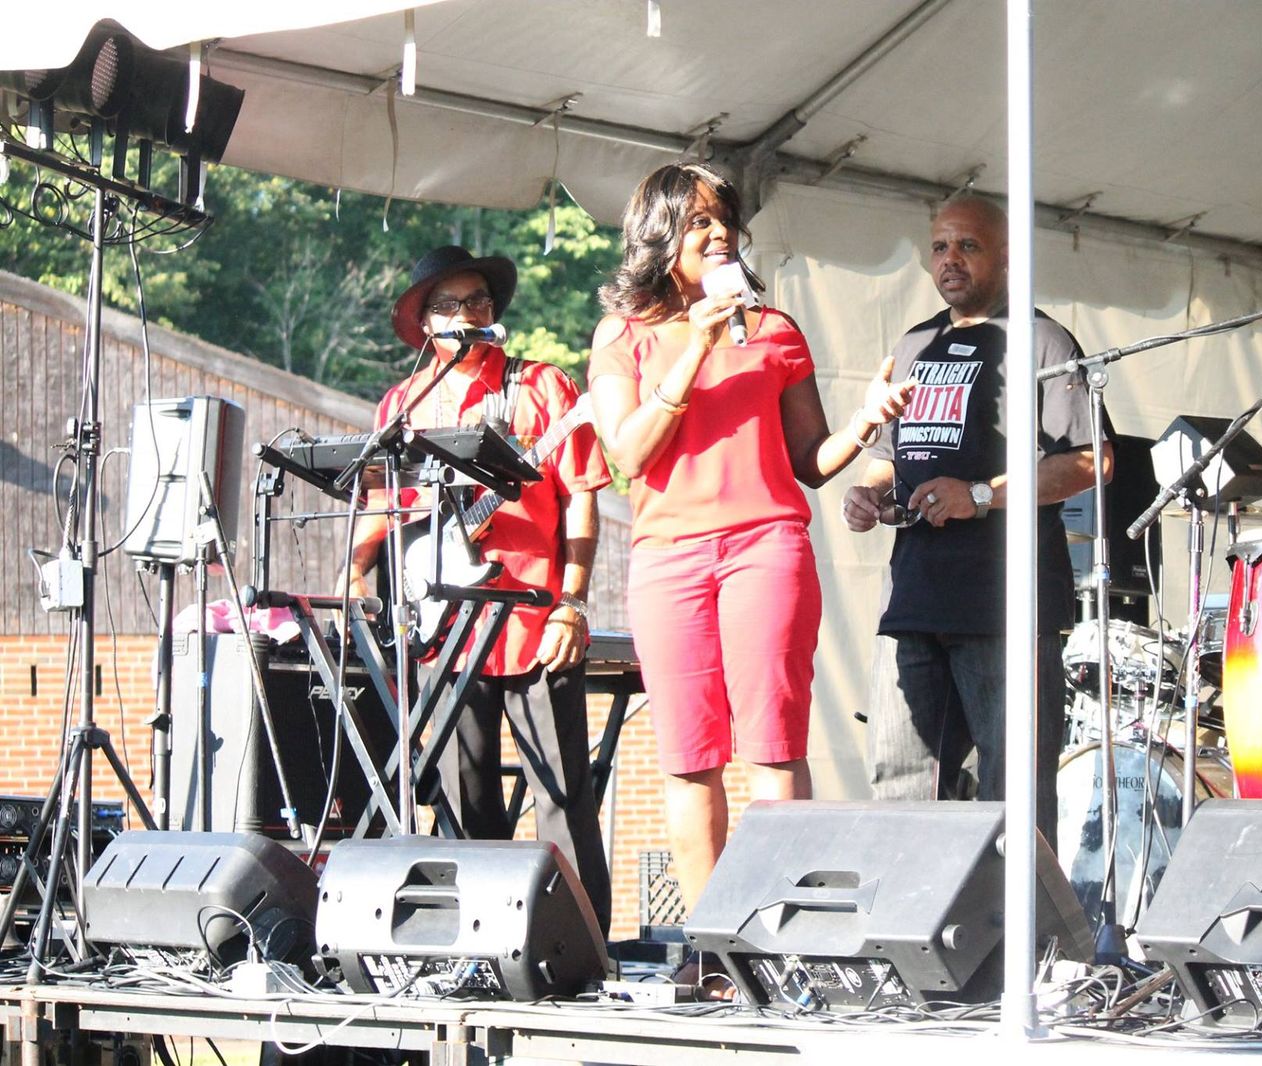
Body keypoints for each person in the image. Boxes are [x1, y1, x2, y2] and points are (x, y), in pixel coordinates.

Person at [587, 162, 913, 913]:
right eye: (699, 221)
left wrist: (866, 422)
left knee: (774, 746)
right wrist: (696, 349)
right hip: (668, 561)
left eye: (725, 219)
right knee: (689, 759)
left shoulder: (773, 330)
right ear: (659, 234)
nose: (719, 233)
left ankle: (779, 935)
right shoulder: (622, 336)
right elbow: (628, 454)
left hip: (765, 548)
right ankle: (709, 943)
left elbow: (812, 462)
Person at [345, 245, 613, 935]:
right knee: (464, 800)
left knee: (561, 795)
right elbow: (384, 506)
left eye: (480, 302)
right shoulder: (404, 404)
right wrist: (354, 569)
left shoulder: (540, 388)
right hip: (445, 630)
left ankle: (581, 944)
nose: (468, 315)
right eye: (451, 305)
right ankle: (479, 945)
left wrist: (572, 603)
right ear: (425, 323)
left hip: (533, 621)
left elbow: (582, 500)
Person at [841, 196, 1114, 851]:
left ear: (1008, 255)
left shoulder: (1043, 341)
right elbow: (890, 458)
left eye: (968, 245)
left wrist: (981, 495)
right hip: (913, 601)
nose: (950, 260)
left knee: (1011, 794)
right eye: (940, 247)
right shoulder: (915, 344)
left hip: (1004, 606)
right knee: (902, 787)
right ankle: (914, 915)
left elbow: (1094, 461)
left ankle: (1015, 919)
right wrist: (869, 495)